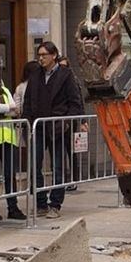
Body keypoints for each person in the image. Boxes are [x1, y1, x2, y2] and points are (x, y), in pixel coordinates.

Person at [23, 41, 84, 219]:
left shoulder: (66, 75)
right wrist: (28, 120)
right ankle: (41, 202)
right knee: (35, 165)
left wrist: (67, 122)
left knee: (58, 166)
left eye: (44, 55)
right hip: (38, 127)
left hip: (58, 128)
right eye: (39, 55)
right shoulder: (35, 75)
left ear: (54, 55)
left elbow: (75, 102)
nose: (41, 58)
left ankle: (55, 204)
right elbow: (27, 101)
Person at [0, 57, 27, 221]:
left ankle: (12, 206)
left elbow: (15, 109)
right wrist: (6, 108)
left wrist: (4, 109)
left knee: (10, 173)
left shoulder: (3, 89)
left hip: (7, 137)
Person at [58, 56, 86, 192]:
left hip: (71, 120)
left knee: (71, 150)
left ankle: (73, 179)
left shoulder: (72, 80)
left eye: (65, 66)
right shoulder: (55, 80)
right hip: (57, 121)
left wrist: (83, 120)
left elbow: (79, 101)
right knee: (58, 151)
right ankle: (60, 180)